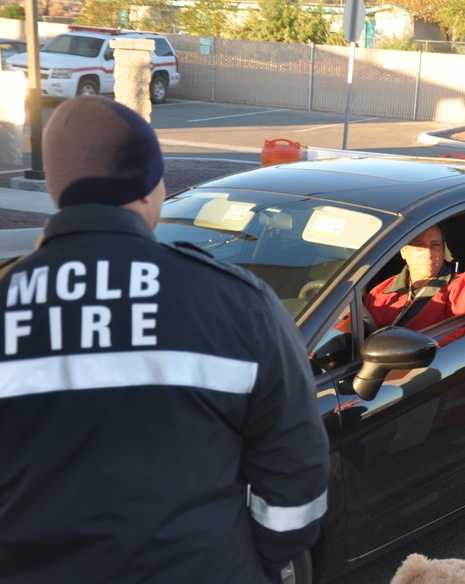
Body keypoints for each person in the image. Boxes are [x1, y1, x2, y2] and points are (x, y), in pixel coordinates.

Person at [0, 97, 329, 584]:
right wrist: (250, 562)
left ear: (55, 189)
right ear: (150, 187)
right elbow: (296, 473)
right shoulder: (238, 304)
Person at [364, 223, 465, 335]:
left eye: (435, 245)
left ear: (443, 250)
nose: (428, 253)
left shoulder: (456, 287)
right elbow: (354, 330)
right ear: (404, 251)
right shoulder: (381, 291)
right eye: (419, 245)